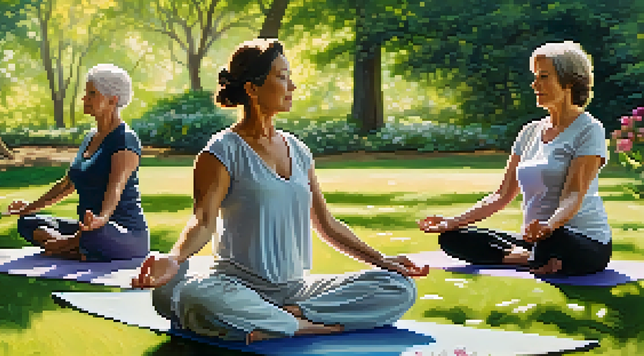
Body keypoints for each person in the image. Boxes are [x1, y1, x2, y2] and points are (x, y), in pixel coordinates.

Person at [131, 39, 429, 344]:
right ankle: (307, 325)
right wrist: (174, 258)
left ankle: (286, 316)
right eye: (282, 77)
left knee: (399, 287)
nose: (292, 86)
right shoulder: (221, 152)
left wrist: (382, 261)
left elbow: (326, 225)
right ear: (252, 88)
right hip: (234, 286)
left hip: (295, 290)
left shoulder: (298, 151)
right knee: (192, 296)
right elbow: (203, 221)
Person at [419, 41, 612, 276]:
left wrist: (549, 227)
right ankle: (531, 259)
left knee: (554, 242)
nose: (534, 84)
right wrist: (452, 221)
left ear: (569, 81)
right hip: (534, 240)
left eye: (543, 76)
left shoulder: (589, 129)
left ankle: (534, 256)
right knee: (453, 238)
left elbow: (573, 194)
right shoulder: (529, 132)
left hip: (581, 240)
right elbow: (501, 196)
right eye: (535, 76)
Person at [5, 64, 150, 262]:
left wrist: (102, 218)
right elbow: (67, 184)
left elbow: (116, 186)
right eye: (86, 93)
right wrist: (29, 208)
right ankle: (73, 248)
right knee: (28, 222)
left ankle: (67, 246)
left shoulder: (125, 139)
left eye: (92, 94)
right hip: (86, 228)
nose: (84, 99)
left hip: (123, 233)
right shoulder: (90, 137)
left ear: (112, 100)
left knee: (96, 235)